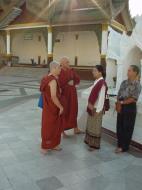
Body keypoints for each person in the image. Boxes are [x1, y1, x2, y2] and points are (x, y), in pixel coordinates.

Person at [115, 65, 141, 153]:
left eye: (129, 70)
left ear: (135, 72)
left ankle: (124, 147)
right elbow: (119, 93)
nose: (127, 72)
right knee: (119, 126)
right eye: (127, 70)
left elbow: (133, 98)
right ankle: (119, 144)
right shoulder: (124, 82)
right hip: (121, 105)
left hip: (130, 108)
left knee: (127, 127)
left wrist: (121, 103)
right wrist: (118, 102)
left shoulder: (137, 84)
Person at [40, 61, 64, 154]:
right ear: (53, 68)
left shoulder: (45, 78)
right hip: (52, 107)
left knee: (53, 126)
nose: (60, 70)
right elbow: (53, 96)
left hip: (48, 107)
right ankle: (45, 146)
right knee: (49, 127)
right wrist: (61, 107)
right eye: (59, 68)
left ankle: (54, 145)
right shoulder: (52, 80)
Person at [84, 65, 108, 151]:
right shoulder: (97, 81)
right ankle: (90, 142)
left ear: (100, 72)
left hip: (97, 108)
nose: (93, 72)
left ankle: (94, 145)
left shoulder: (102, 83)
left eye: (94, 71)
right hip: (92, 107)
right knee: (91, 125)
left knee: (95, 127)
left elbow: (102, 98)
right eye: (93, 70)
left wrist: (98, 111)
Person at [59, 56, 83, 136]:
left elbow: (78, 79)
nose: (69, 63)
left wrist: (74, 82)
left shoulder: (71, 71)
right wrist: (67, 83)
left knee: (74, 110)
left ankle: (75, 128)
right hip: (64, 96)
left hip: (73, 94)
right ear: (62, 63)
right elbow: (58, 84)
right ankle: (62, 130)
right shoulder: (59, 71)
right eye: (67, 62)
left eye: (68, 62)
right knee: (65, 111)